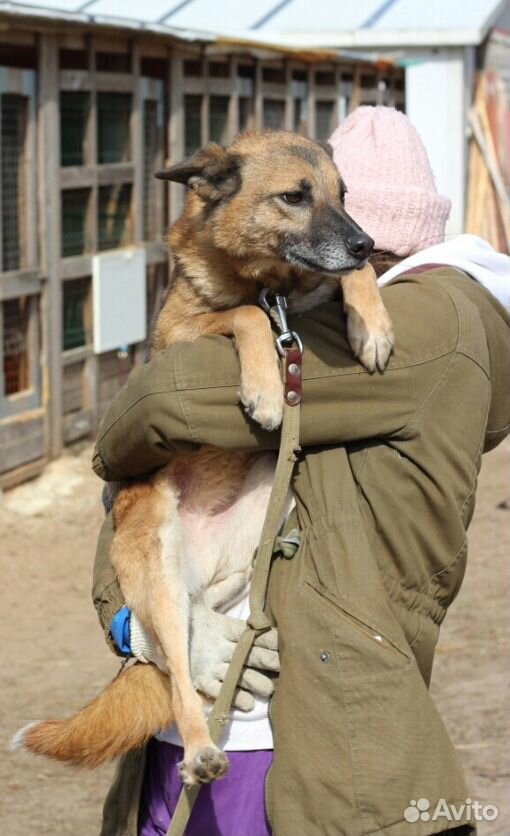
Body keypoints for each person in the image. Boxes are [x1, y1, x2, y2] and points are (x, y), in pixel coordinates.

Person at [92, 107, 510, 836]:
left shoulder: (426, 323)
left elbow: (163, 402)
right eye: (306, 198)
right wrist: (138, 625)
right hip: (228, 700)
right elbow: (150, 484)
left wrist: (112, 447)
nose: (344, 232)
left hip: (296, 722)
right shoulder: (313, 300)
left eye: (347, 208)